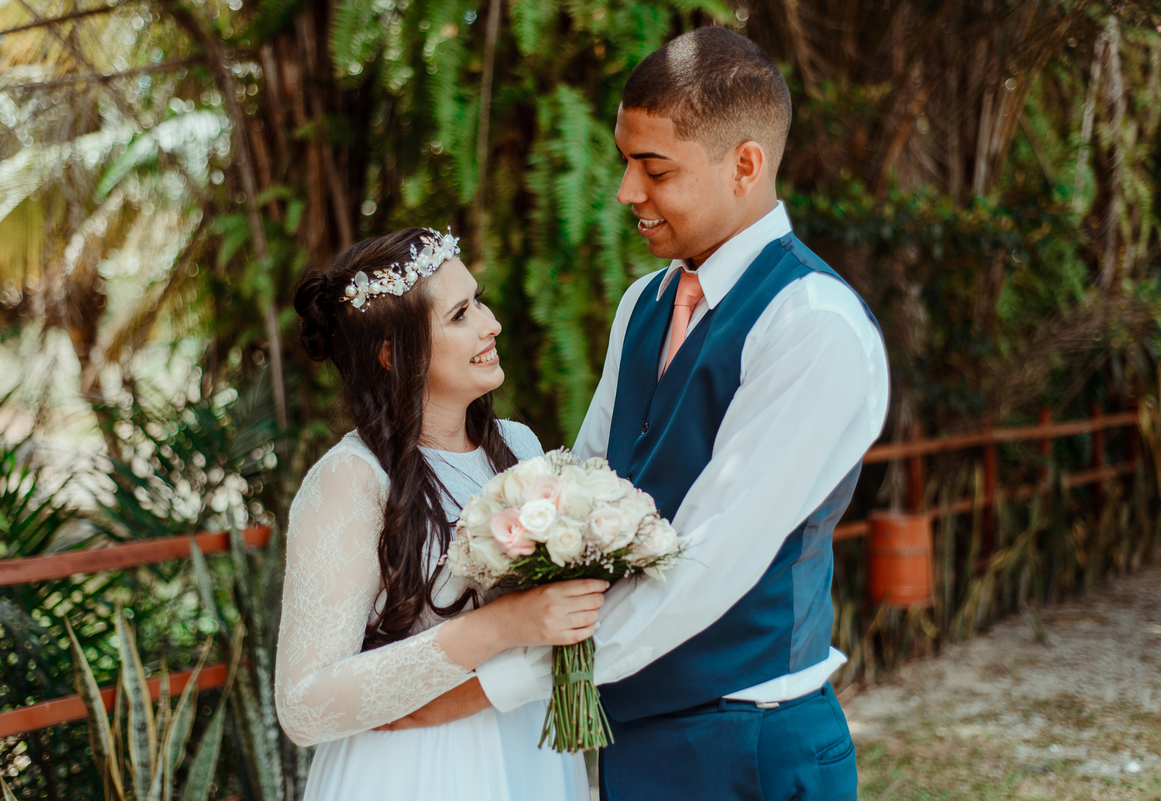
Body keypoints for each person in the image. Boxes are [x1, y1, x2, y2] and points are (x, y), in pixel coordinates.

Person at [457, 28, 889, 800]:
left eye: (654, 169)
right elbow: (586, 481)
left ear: (745, 166)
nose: (627, 191)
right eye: (625, 162)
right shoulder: (644, 304)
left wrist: (495, 678)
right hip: (635, 740)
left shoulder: (811, 325)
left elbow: (707, 562)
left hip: (750, 745)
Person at [274, 227, 605, 801]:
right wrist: (500, 626)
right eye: (459, 315)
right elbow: (303, 706)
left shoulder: (519, 446)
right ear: (392, 354)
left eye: (478, 301)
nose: (490, 324)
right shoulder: (350, 480)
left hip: (533, 750)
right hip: (414, 768)